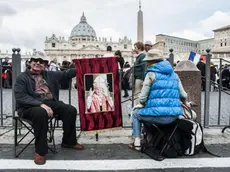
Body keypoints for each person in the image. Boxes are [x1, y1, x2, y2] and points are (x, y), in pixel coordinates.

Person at [14, 57, 84, 165]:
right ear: (30, 63)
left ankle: (69, 141)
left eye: (41, 61)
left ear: (45, 65)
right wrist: (40, 104)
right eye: (35, 60)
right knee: (40, 113)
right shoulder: (22, 78)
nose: (38, 63)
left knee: (70, 110)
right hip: (29, 106)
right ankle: (40, 152)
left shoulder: (50, 74)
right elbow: (21, 97)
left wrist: (85, 66)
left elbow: (67, 74)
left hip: (50, 103)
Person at [128, 49, 189, 151]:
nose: (146, 63)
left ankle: (137, 142)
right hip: (173, 116)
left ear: (152, 62)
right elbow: (183, 95)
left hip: (157, 116)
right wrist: (185, 103)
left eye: (148, 61)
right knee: (147, 113)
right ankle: (151, 138)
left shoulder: (151, 74)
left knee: (136, 114)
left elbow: (142, 98)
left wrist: (142, 104)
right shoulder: (174, 74)